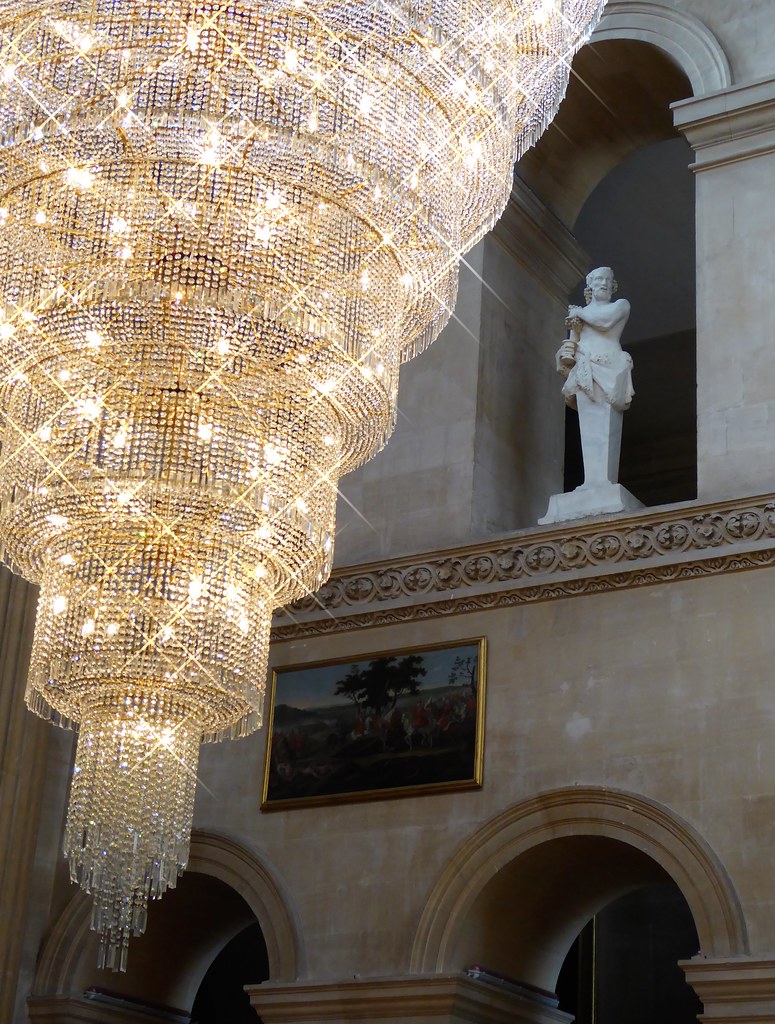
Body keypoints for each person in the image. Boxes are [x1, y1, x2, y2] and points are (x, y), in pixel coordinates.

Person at [556, 267, 633, 488]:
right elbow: (573, 343)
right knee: (588, 424)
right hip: (585, 367)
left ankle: (606, 483)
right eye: (599, 279)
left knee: (608, 423)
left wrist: (579, 313)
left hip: (611, 366)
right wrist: (566, 350)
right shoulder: (581, 314)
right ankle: (592, 483)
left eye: (608, 280)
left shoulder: (620, 305)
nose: (604, 283)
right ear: (589, 285)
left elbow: (605, 323)